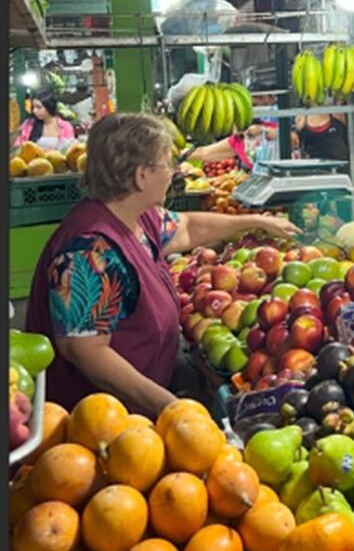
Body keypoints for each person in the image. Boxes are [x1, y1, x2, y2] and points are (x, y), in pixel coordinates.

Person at [26, 113, 301, 417]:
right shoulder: (90, 250)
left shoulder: (137, 216)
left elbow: (188, 228)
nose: (173, 172)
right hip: (102, 426)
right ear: (141, 176)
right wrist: (168, 406)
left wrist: (255, 221)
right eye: (167, 164)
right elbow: (87, 352)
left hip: (139, 411)